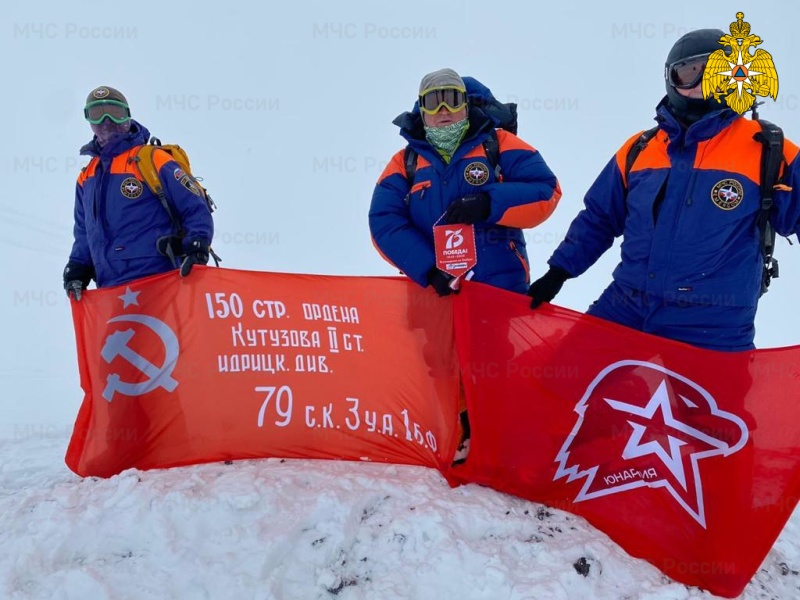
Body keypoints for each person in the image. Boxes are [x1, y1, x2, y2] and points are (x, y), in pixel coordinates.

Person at [527, 29, 800, 351]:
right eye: (690, 72)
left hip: (714, 320)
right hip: (628, 303)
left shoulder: (769, 149)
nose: (703, 83)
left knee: (708, 389)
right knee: (565, 374)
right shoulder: (640, 148)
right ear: (671, 78)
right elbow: (599, 218)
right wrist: (559, 271)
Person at [369, 68, 562, 296]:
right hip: (434, 297)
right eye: (433, 102)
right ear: (422, 110)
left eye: (452, 100)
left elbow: (545, 189)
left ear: (465, 105)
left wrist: (489, 204)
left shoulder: (498, 144)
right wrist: (428, 269)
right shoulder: (405, 162)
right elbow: (384, 221)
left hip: (502, 293)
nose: (443, 110)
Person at [63, 86, 214, 300]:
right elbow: (83, 230)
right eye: (97, 114)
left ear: (127, 116)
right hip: (112, 292)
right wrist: (78, 267)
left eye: (114, 113)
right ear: (89, 121)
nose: (106, 122)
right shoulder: (87, 177)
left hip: (162, 283)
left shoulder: (152, 160)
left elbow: (193, 205)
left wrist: (197, 246)